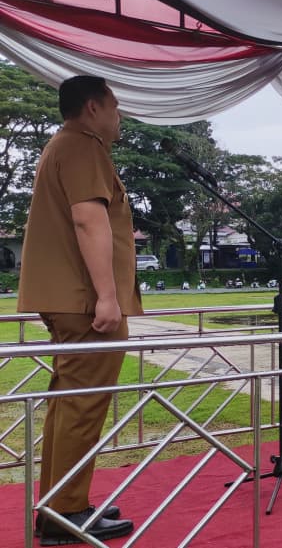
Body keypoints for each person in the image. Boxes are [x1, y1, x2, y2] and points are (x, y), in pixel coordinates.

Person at [17, 76, 139, 543]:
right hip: (84, 301)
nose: (119, 115)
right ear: (93, 107)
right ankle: (64, 513)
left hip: (70, 297)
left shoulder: (63, 145)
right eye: (115, 106)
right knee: (83, 404)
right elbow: (89, 220)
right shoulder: (83, 145)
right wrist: (107, 297)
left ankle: (60, 505)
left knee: (70, 403)